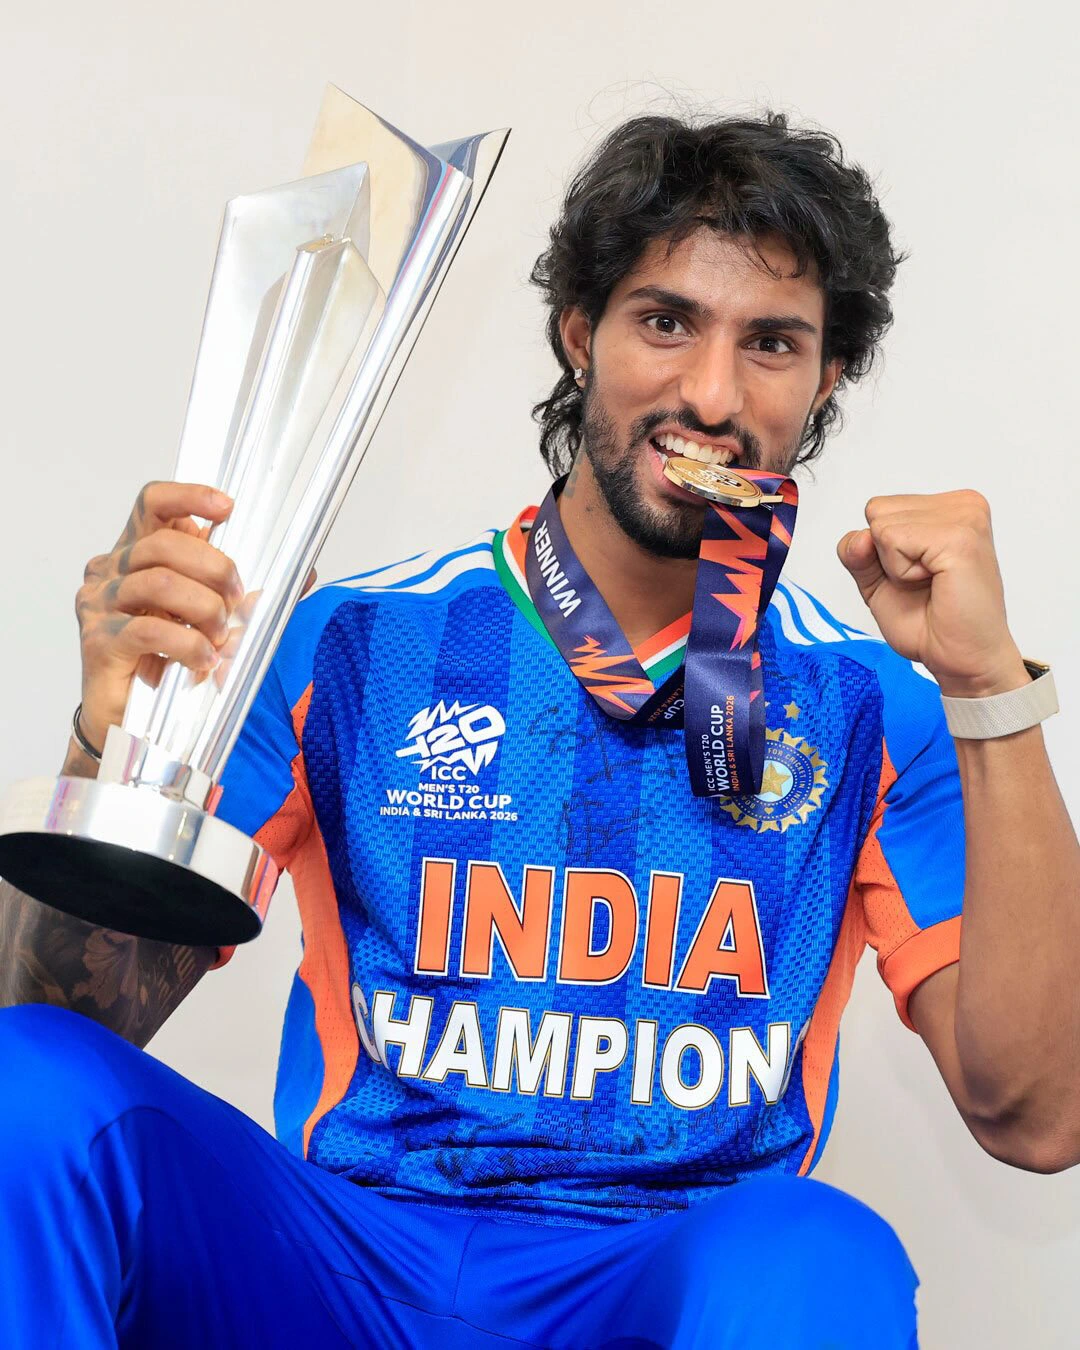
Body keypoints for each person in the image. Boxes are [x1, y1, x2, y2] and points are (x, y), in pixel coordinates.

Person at [1, 108, 1077, 1350]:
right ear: (580, 335)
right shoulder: (342, 642)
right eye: (665, 322)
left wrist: (992, 693)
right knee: (23, 1089)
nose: (711, 395)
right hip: (341, 1271)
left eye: (771, 343)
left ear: (826, 381)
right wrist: (114, 739)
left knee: (820, 1252)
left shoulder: (873, 700)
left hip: (657, 1286)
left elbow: (1043, 1118)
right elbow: (63, 1023)